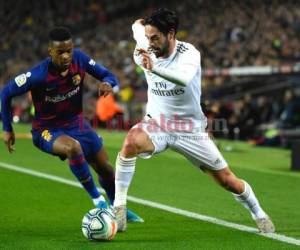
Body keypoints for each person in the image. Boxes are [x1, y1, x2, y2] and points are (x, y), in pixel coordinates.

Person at [113, 8, 275, 233]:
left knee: (228, 181)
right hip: (158, 123)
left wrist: (155, 68)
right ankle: (118, 207)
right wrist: (140, 28)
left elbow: (183, 80)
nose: (150, 43)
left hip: (190, 130)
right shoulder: (144, 44)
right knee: (131, 141)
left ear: (171, 34)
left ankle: (259, 214)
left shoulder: (189, 53)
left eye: (155, 38)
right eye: (148, 37)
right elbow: (136, 26)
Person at [1, 26, 143, 223]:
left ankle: (119, 209)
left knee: (106, 169)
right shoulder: (38, 75)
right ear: (50, 52)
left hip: (77, 124)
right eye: (60, 52)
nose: (66, 55)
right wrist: (7, 128)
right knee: (73, 148)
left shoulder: (80, 60)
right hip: (47, 129)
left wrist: (108, 83)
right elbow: (6, 93)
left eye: (69, 50)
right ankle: (98, 200)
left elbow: (109, 75)